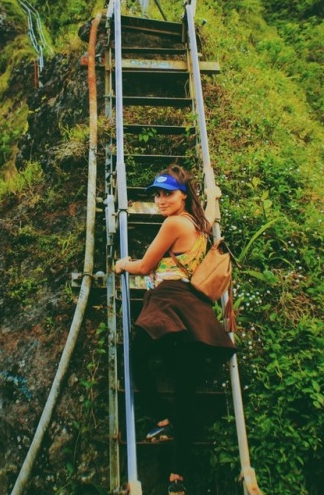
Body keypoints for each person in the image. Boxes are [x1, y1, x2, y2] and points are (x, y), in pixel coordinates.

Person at [115, 164, 236, 495]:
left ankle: (159, 419)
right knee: (185, 393)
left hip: (169, 301)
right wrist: (213, 196)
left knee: (137, 356)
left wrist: (122, 264)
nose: (160, 200)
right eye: (157, 194)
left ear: (183, 196)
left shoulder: (172, 224)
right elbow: (211, 216)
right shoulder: (198, 223)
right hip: (195, 311)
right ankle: (178, 475)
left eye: (167, 193)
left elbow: (144, 266)